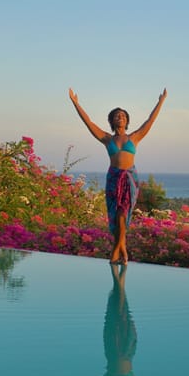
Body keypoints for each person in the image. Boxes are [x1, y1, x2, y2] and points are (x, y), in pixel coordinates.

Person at [69, 87, 167, 264]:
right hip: (114, 178)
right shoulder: (107, 139)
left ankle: (115, 252)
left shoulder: (134, 137)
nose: (120, 117)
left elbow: (150, 121)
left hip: (129, 178)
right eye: (116, 116)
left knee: (123, 214)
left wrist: (161, 101)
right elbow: (89, 123)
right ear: (112, 121)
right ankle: (122, 249)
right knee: (115, 217)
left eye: (123, 115)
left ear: (127, 120)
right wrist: (76, 103)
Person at [65, 263, 163, 376]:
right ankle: (116, 272)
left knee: (115, 309)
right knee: (122, 308)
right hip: (127, 346)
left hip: (111, 345)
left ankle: (118, 273)